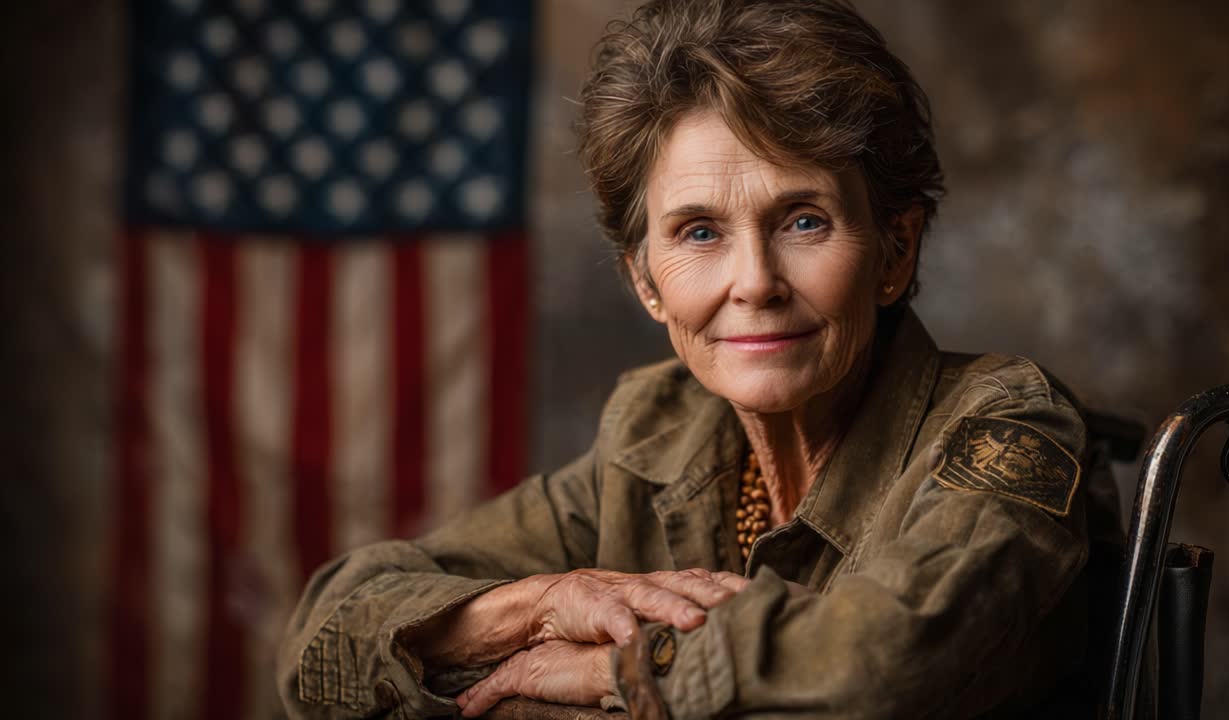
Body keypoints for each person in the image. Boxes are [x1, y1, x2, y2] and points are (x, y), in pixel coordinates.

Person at [278, 1, 1122, 717]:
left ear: (895, 251)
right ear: (646, 282)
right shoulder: (653, 434)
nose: (754, 284)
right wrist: (537, 606)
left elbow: (887, 660)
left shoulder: (1011, 422)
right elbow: (322, 640)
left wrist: (624, 672)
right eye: (700, 232)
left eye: (804, 221)